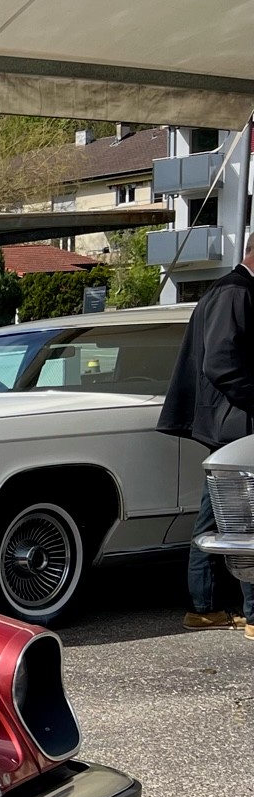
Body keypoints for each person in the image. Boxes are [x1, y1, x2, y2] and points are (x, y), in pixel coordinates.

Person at [159, 246, 254, 630]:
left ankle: (205, 607)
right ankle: (250, 613)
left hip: (227, 423)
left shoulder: (228, 291)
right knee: (245, 521)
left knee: (219, 518)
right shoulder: (237, 292)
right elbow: (220, 363)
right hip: (238, 423)